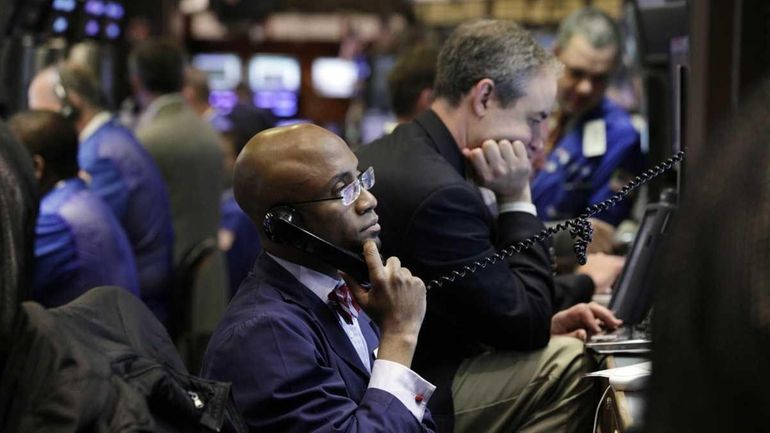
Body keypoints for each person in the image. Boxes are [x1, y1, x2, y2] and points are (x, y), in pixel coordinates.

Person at [357, 19, 621, 433]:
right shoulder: (440, 191)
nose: (538, 141)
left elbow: (487, 305)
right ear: (484, 96)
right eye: (534, 119)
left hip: (404, 363)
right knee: (566, 365)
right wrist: (517, 196)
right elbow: (527, 324)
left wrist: (543, 320)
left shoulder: (417, 153)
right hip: (408, 389)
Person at [201, 124, 436, 433]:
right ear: (286, 226)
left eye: (361, 179)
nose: (368, 201)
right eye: (344, 191)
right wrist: (399, 337)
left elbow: (416, 419)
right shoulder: (264, 334)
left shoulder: (342, 287)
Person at [27, 62, 175, 321]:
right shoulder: (111, 138)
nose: (34, 122)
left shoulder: (97, 157)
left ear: (69, 105)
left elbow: (82, 242)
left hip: (135, 310)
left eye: (38, 111)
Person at [129, 41, 228, 361]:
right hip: (209, 280)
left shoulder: (147, 139)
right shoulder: (207, 132)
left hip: (164, 287)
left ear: (136, 80)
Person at [8, 110, 140, 307]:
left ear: (36, 167)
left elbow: (8, 287)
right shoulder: (84, 198)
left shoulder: (54, 221)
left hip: (85, 336)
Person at [531, 7, 645, 228]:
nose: (585, 88)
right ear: (556, 56)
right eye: (577, 73)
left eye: (599, 78)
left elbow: (597, 234)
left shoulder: (622, 137)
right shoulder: (530, 109)